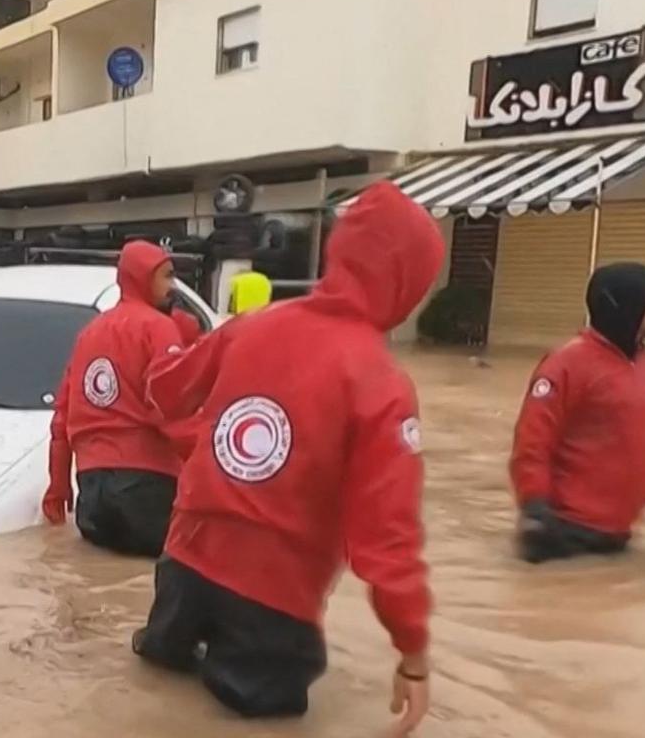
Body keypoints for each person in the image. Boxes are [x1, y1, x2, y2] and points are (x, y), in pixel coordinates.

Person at [132, 182, 441, 736]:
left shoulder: (252, 326)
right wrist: (412, 653)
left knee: (155, 697)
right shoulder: (383, 384)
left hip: (182, 571)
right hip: (271, 601)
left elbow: (165, 391)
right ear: (409, 281)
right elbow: (387, 541)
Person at [511, 261, 645, 564]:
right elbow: (532, 442)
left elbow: (643, 443)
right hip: (565, 536)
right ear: (627, 307)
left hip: (617, 539)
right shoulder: (566, 364)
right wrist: (534, 507)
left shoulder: (644, 366)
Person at [42, 240, 186, 558]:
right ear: (143, 278)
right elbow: (171, 406)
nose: (172, 286)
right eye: (166, 276)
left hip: (92, 493)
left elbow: (62, 417)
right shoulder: (160, 328)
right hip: (149, 488)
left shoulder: (88, 334)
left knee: (96, 591)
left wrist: (58, 483)